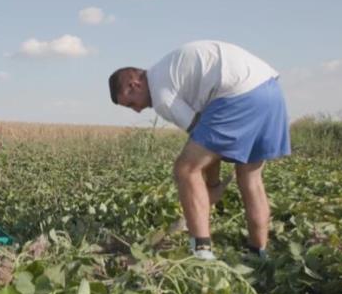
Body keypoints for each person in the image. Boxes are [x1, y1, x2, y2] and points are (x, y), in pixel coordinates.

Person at [108, 40, 290, 260]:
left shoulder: (161, 95)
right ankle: (258, 253)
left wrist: (212, 186)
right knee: (250, 177)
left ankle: (202, 254)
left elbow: (203, 139)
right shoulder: (166, 70)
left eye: (131, 104)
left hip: (239, 94)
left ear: (134, 85)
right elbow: (209, 142)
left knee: (185, 169)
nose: (137, 111)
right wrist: (212, 185)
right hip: (269, 89)